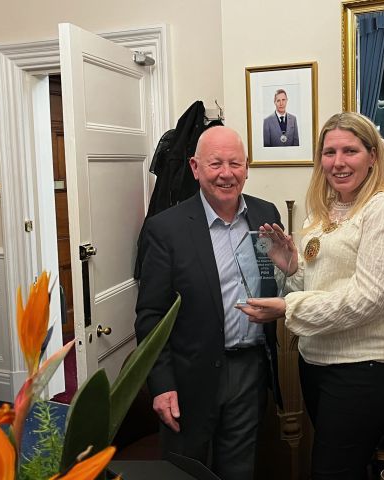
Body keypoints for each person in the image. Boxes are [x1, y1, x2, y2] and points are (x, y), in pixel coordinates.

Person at [237, 112, 384, 479]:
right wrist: (291, 268)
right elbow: (321, 286)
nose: (338, 162)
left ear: (371, 156)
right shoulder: (325, 209)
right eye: (329, 151)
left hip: (364, 369)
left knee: (331, 472)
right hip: (316, 363)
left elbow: (367, 299)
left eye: (349, 150)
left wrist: (288, 307)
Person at [135, 126, 283, 480]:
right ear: (195, 167)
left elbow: (272, 280)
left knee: (239, 469)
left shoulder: (265, 216)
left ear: (247, 168)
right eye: (215, 163)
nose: (226, 173)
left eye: (236, 163)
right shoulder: (164, 229)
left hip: (250, 370)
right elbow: (150, 316)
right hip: (189, 377)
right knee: (186, 470)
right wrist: (162, 384)